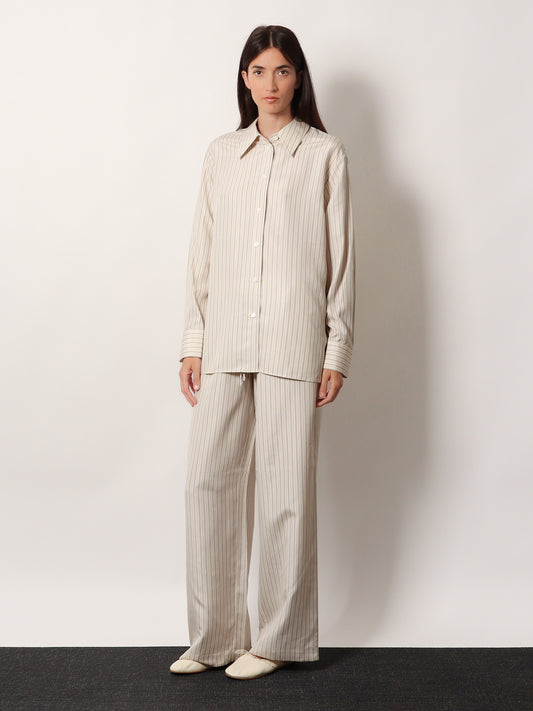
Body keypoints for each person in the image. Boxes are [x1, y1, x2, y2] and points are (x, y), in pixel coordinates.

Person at [170, 24, 355, 680]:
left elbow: (340, 259)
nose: (269, 84)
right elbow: (202, 252)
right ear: (243, 79)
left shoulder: (324, 154)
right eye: (258, 71)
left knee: (285, 491)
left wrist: (336, 349)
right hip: (224, 339)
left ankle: (277, 639)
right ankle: (215, 637)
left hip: (292, 340)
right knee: (207, 482)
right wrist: (193, 341)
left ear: (297, 77)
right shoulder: (222, 154)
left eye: (281, 70)